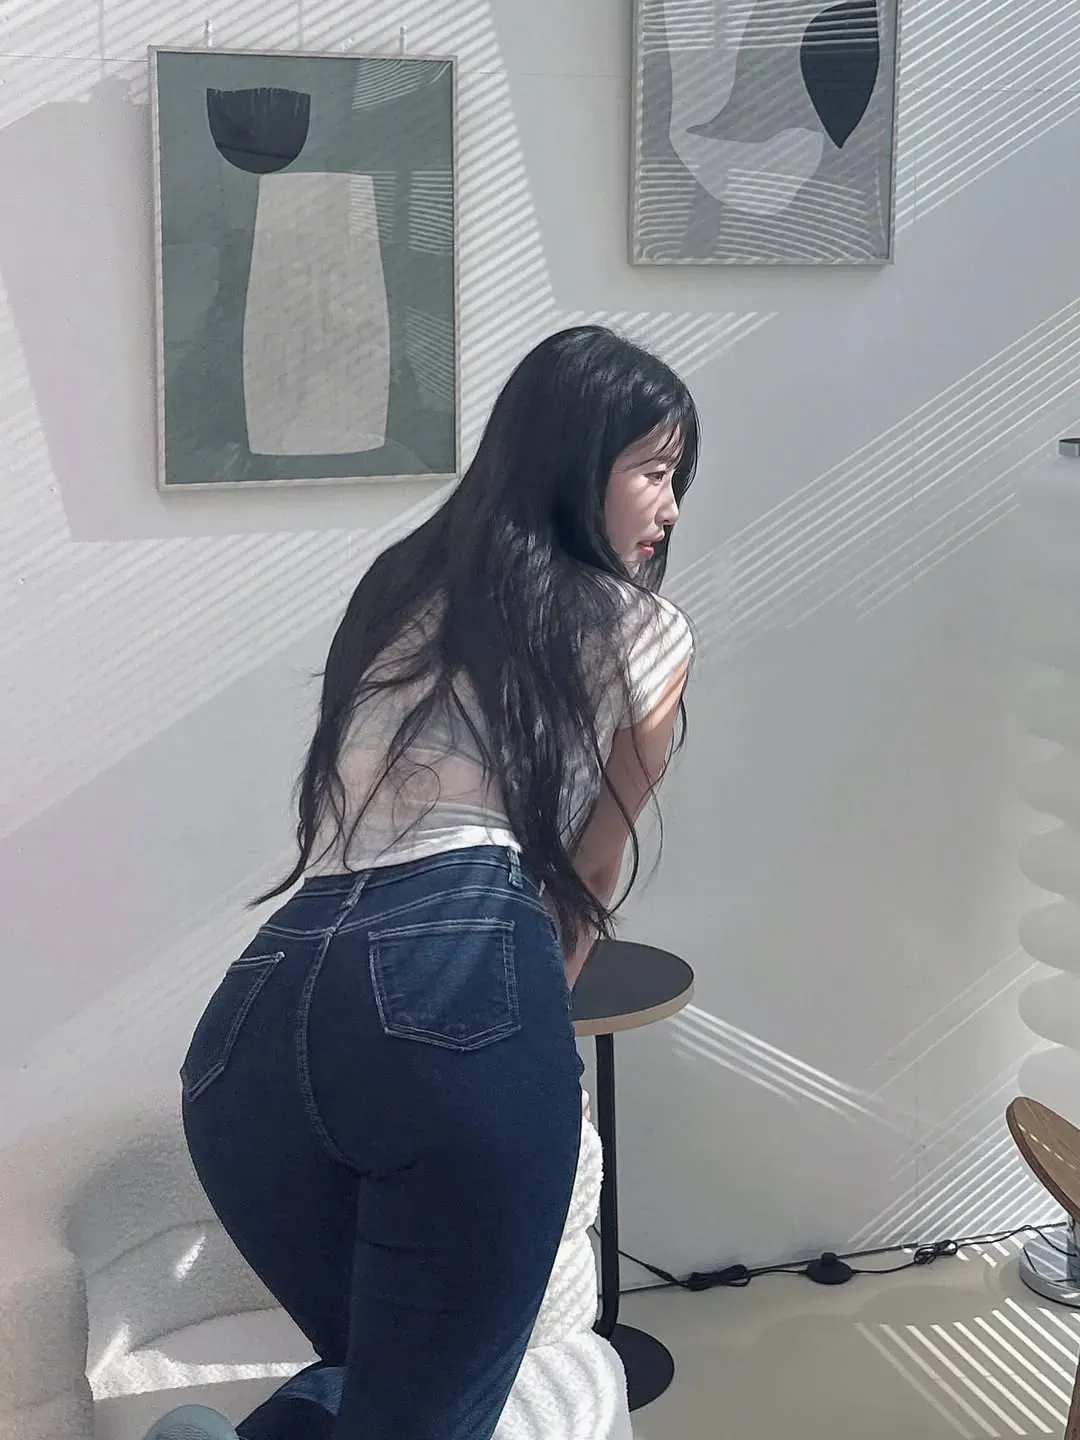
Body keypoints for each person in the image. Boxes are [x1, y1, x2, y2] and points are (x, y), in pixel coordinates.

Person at [144, 326, 698, 1440]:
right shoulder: (646, 627)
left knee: (384, 1381)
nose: (672, 506)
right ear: (573, 458)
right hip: (452, 975)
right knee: (427, 1403)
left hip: (251, 1027)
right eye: (653, 469)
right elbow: (593, 864)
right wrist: (533, 1039)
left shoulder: (398, 581)